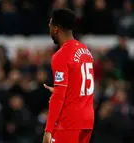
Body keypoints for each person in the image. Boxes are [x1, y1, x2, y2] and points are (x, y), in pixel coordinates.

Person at [42, 8, 94, 143]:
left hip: (69, 123)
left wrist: (48, 130)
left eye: (50, 25)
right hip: (87, 120)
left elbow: (58, 96)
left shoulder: (61, 55)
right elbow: (82, 84)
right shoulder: (85, 50)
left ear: (55, 28)